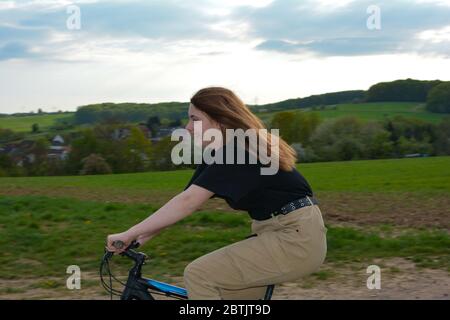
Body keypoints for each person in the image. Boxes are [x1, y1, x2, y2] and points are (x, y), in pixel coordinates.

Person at [106, 87, 327, 299]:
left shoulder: (238, 151)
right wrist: (138, 238)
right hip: (282, 232)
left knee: (200, 275)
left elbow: (188, 202)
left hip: (294, 238)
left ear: (219, 120)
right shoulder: (223, 153)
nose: (188, 127)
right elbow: (181, 203)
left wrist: (128, 233)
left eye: (195, 119)